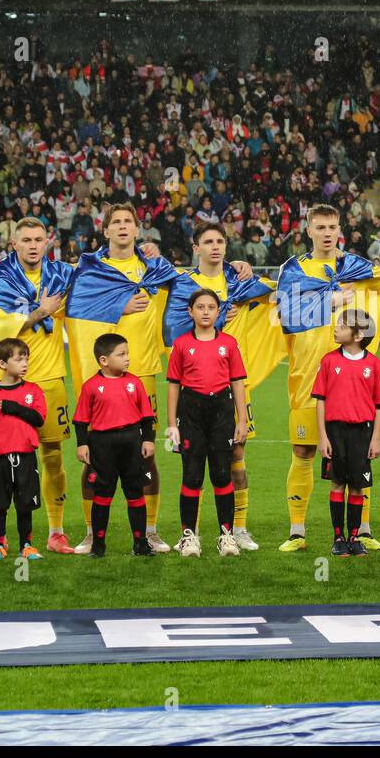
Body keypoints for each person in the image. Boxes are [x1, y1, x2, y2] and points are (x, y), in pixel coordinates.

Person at [274, 204, 380, 552]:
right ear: (307, 230)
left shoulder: (356, 267)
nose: (327, 232)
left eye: (332, 226)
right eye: (320, 227)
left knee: (360, 457)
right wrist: (333, 298)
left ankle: (362, 529)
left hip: (354, 381)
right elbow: (284, 313)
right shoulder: (293, 270)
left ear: (339, 229)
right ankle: (297, 531)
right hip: (309, 376)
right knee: (304, 450)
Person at [65, 205, 176, 553]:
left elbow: (192, 287)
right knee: (93, 458)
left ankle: (151, 531)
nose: (123, 226)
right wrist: (118, 308)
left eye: (129, 221)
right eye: (117, 222)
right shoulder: (92, 270)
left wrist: (237, 270)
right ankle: (89, 532)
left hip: (143, 373)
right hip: (101, 380)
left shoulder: (154, 268)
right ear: (106, 230)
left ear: (137, 229)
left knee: (147, 457)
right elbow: (75, 308)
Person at [159, 222, 276, 551]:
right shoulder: (184, 285)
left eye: (220, 241)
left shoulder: (239, 280)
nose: (215, 246)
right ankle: (190, 533)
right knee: (193, 466)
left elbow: (274, 292)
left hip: (233, 384)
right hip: (195, 391)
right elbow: (174, 329)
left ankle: (237, 528)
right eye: (207, 241)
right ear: (195, 248)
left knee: (236, 457)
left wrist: (247, 273)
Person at [0, 218, 74, 555]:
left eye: (39, 239)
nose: (34, 245)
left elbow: (98, 279)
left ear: (46, 242)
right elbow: (4, 327)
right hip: (11, 387)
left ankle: (56, 531)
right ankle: (0, 536)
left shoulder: (62, 275)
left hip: (50, 380)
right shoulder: (2, 281)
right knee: (4, 461)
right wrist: (42, 311)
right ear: (15, 244)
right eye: (27, 240)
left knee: (52, 457)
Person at [165, 289, 250, 557]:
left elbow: (237, 382)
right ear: (190, 312)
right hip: (191, 411)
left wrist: (242, 418)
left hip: (221, 411)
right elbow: (173, 386)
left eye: (211, 307)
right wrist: (172, 424)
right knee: (191, 474)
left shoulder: (229, 343)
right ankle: (189, 536)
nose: (205, 311)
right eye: (199, 307)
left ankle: (226, 535)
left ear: (218, 312)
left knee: (221, 473)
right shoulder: (180, 344)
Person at [73, 333, 156, 558]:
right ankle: (98, 545)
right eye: (121, 354)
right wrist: (82, 445)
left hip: (131, 442)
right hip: (102, 445)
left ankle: (140, 543)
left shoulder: (134, 382)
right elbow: (80, 420)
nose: (127, 358)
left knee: (135, 492)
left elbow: (147, 417)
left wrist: (148, 439)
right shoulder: (91, 386)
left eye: (127, 353)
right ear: (104, 360)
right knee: (102, 494)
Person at [313, 308, 380, 558]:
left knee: (357, 486)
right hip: (335, 432)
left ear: (357, 335)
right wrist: (323, 436)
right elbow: (320, 400)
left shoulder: (373, 364)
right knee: (337, 483)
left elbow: (378, 406)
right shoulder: (329, 361)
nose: (336, 328)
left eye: (342, 325)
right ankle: (338, 538)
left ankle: (355, 537)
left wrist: (375, 438)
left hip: (362, 433)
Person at [0, 337, 47, 561]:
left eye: (26, 358)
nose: (25, 363)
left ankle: (26, 545)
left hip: (26, 457)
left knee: (25, 504)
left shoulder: (33, 390)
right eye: (19, 359)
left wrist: (14, 407)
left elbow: (38, 418)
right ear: (3, 364)